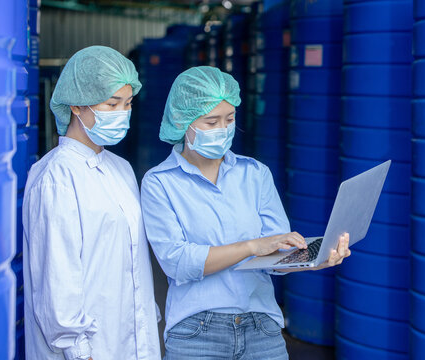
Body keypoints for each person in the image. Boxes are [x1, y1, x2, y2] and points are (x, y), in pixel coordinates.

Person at [140, 66, 351, 359]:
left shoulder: (255, 173)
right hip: (196, 334)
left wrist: (315, 260)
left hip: (261, 329)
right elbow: (178, 263)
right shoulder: (159, 182)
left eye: (229, 119)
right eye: (211, 121)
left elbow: (275, 256)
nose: (223, 129)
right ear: (183, 121)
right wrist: (252, 246)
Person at [22, 46, 161, 360]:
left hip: (132, 341)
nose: (122, 113)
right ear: (75, 105)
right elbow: (56, 276)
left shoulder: (121, 169)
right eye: (112, 103)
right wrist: (78, 349)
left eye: (127, 103)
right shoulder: (56, 176)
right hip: (84, 351)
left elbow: (131, 262)